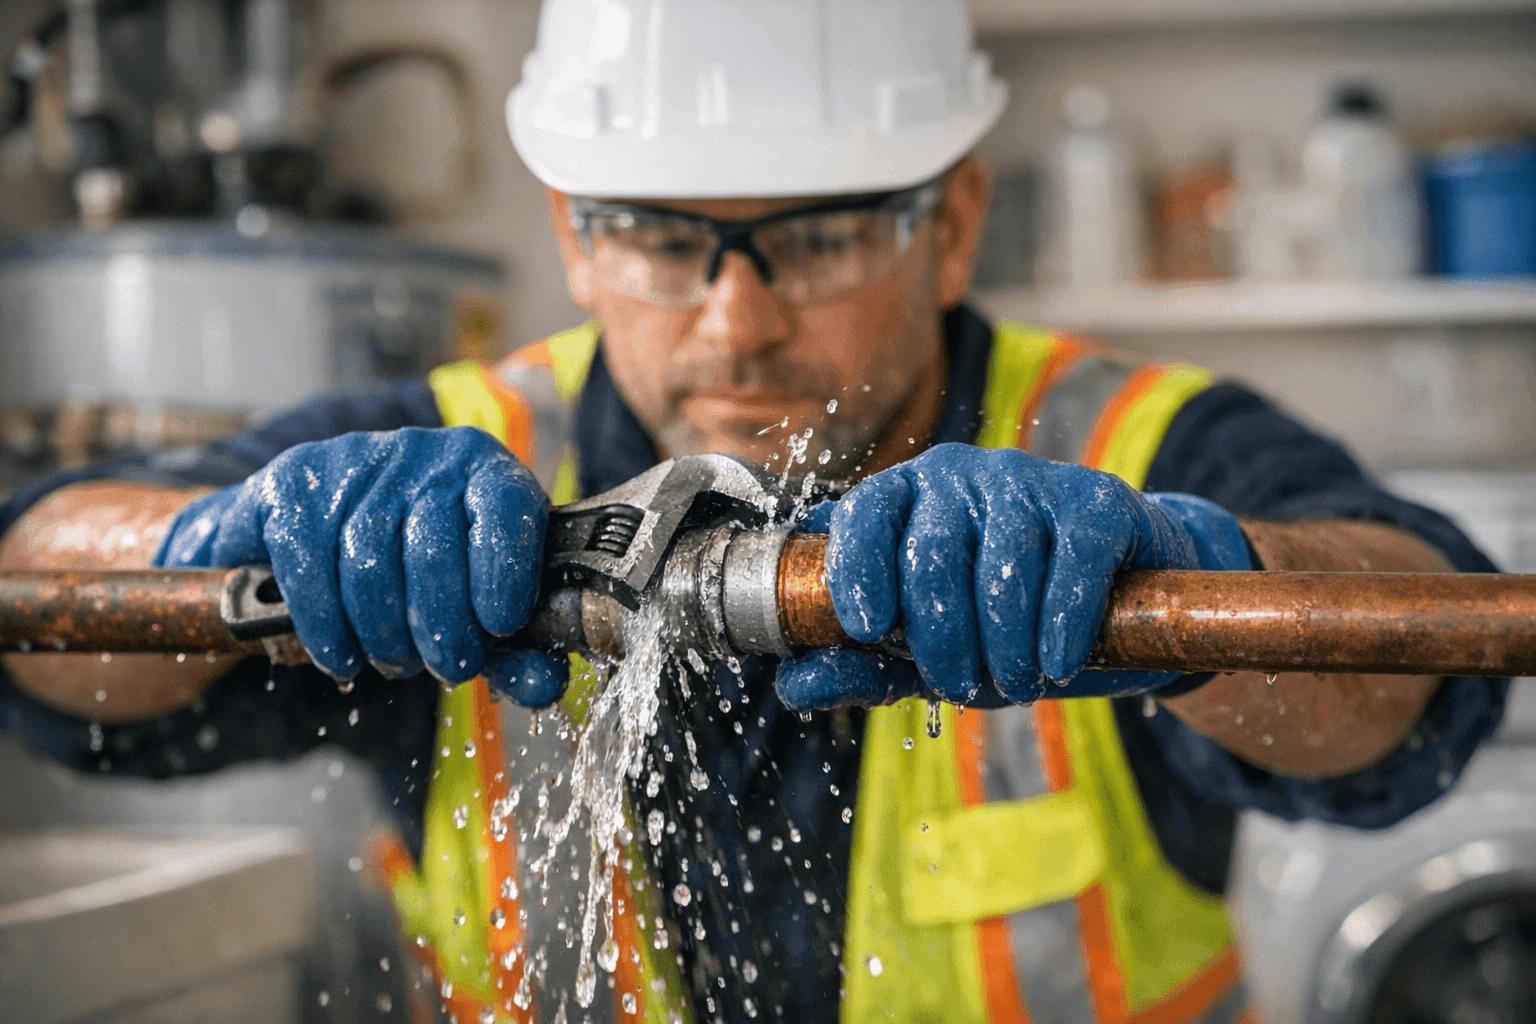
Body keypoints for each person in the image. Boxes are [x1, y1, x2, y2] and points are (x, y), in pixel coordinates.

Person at [0, 1, 1509, 1022]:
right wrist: (203, 552)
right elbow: (39, 604)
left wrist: (1198, 592)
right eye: (658, 238)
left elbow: (1413, 650)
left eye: (825, 233)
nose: (736, 324)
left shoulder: (1141, 442)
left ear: (954, 224)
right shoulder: (441, 457)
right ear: (572, 241)